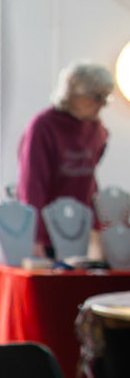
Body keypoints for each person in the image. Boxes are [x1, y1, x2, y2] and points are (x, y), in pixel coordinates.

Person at [17, 61, 115, 254]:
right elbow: (32, 185)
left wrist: (98, 229)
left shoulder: (97, 129)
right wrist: (35, 238)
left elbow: (90, 183)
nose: (102, 104)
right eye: (96, 97)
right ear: (72, 94)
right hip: (47, 235)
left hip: (80, 230)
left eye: (105, 97)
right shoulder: (43, 127)